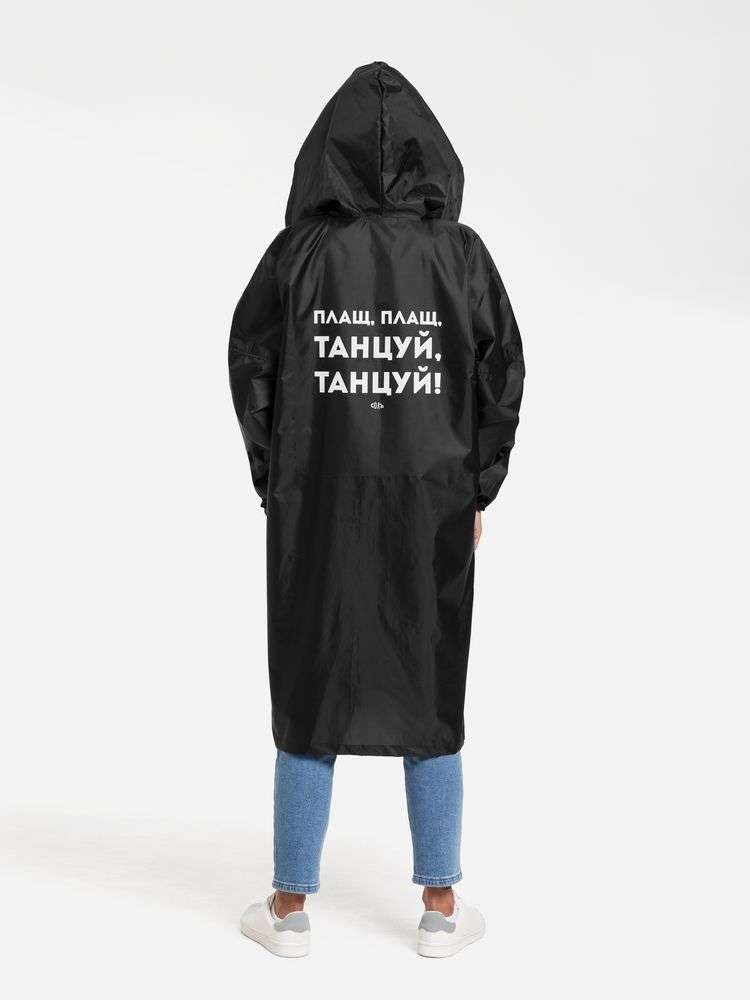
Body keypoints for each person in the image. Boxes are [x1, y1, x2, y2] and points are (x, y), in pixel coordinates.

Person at [228, 61, 524, 958]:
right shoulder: (460, 256)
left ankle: (288, 910)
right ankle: (440, 909)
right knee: (428, 685)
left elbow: (251, 366)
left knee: (310, 682)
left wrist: (275, 478)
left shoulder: (298, 255)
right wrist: (477, 486)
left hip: (318, 501)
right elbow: (502, 375)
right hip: (429, 507)